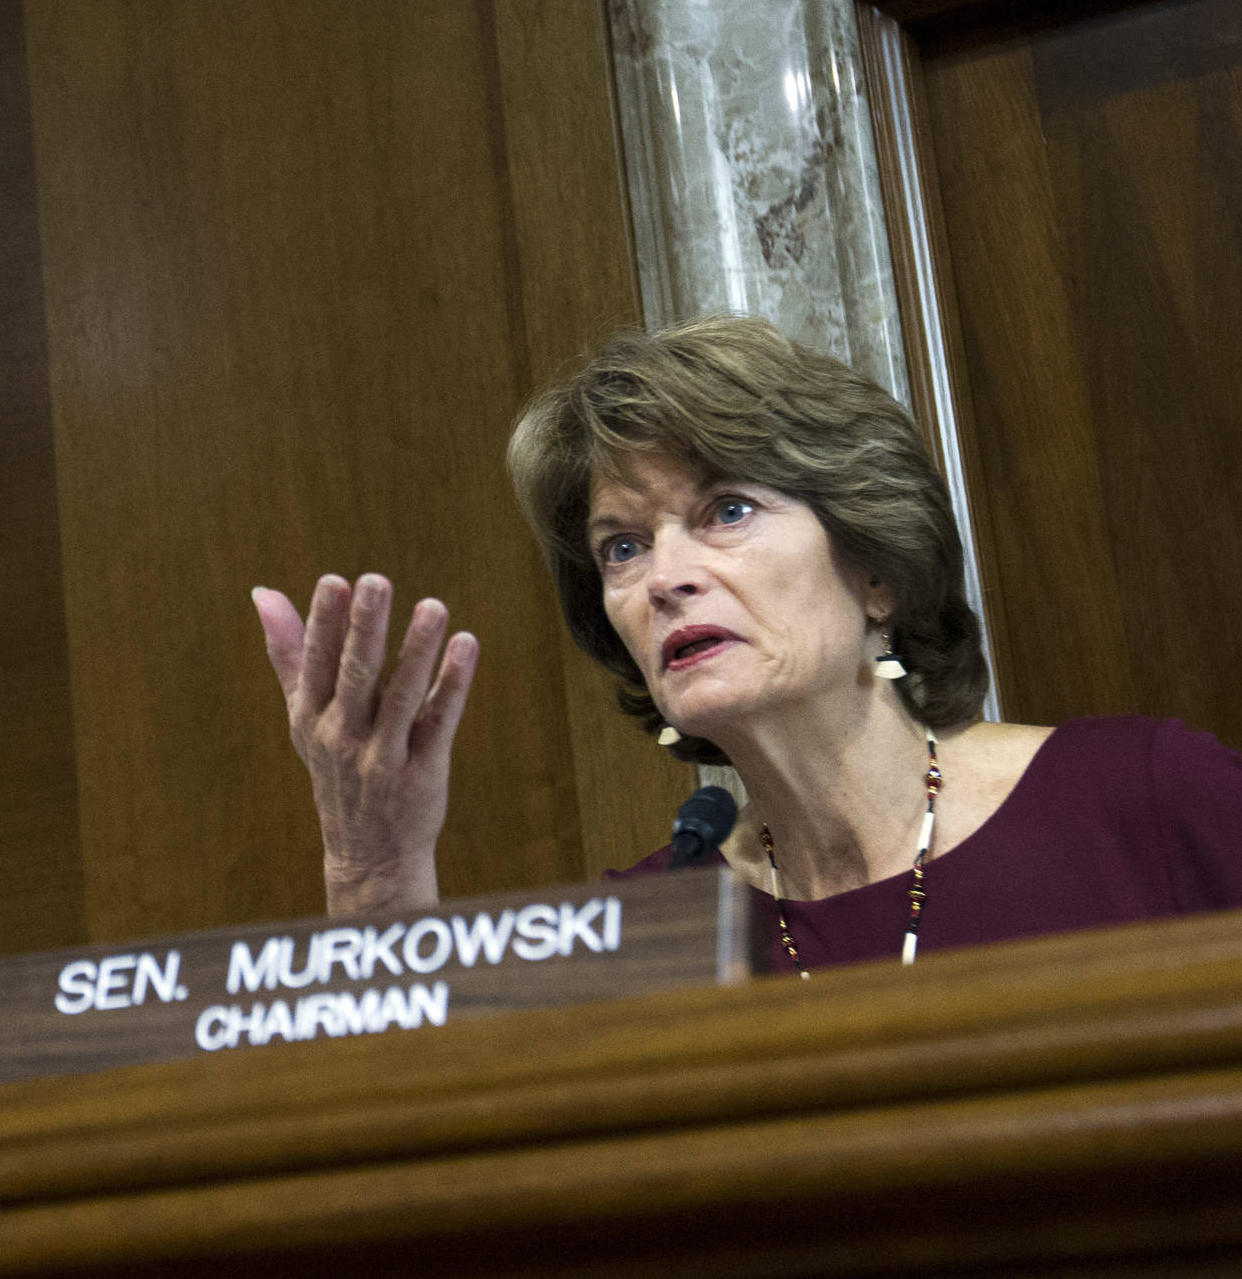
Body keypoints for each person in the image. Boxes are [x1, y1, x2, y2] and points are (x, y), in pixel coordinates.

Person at [253, 315, 1242, 974]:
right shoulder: (643, 935)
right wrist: (372, 871)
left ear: (874, 570)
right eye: (622, 547)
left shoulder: (1144, 802)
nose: (661, 578)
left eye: (723, 510)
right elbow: (440, 1190)